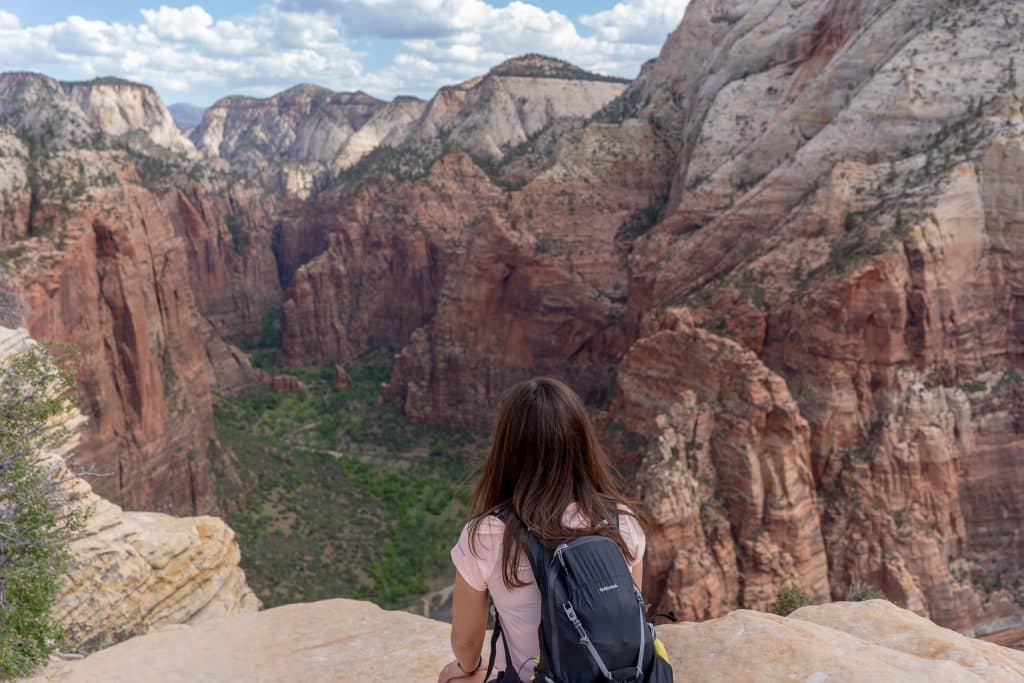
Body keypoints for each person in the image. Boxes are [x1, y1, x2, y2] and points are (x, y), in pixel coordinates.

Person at [437, 377, 648, 683]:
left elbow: (467, 645)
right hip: (616, 677)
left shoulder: (486, 534)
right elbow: (632, 616)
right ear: (582, 444)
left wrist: (464, 668)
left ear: (506, 449)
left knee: (452, 678)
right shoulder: (621, 520)